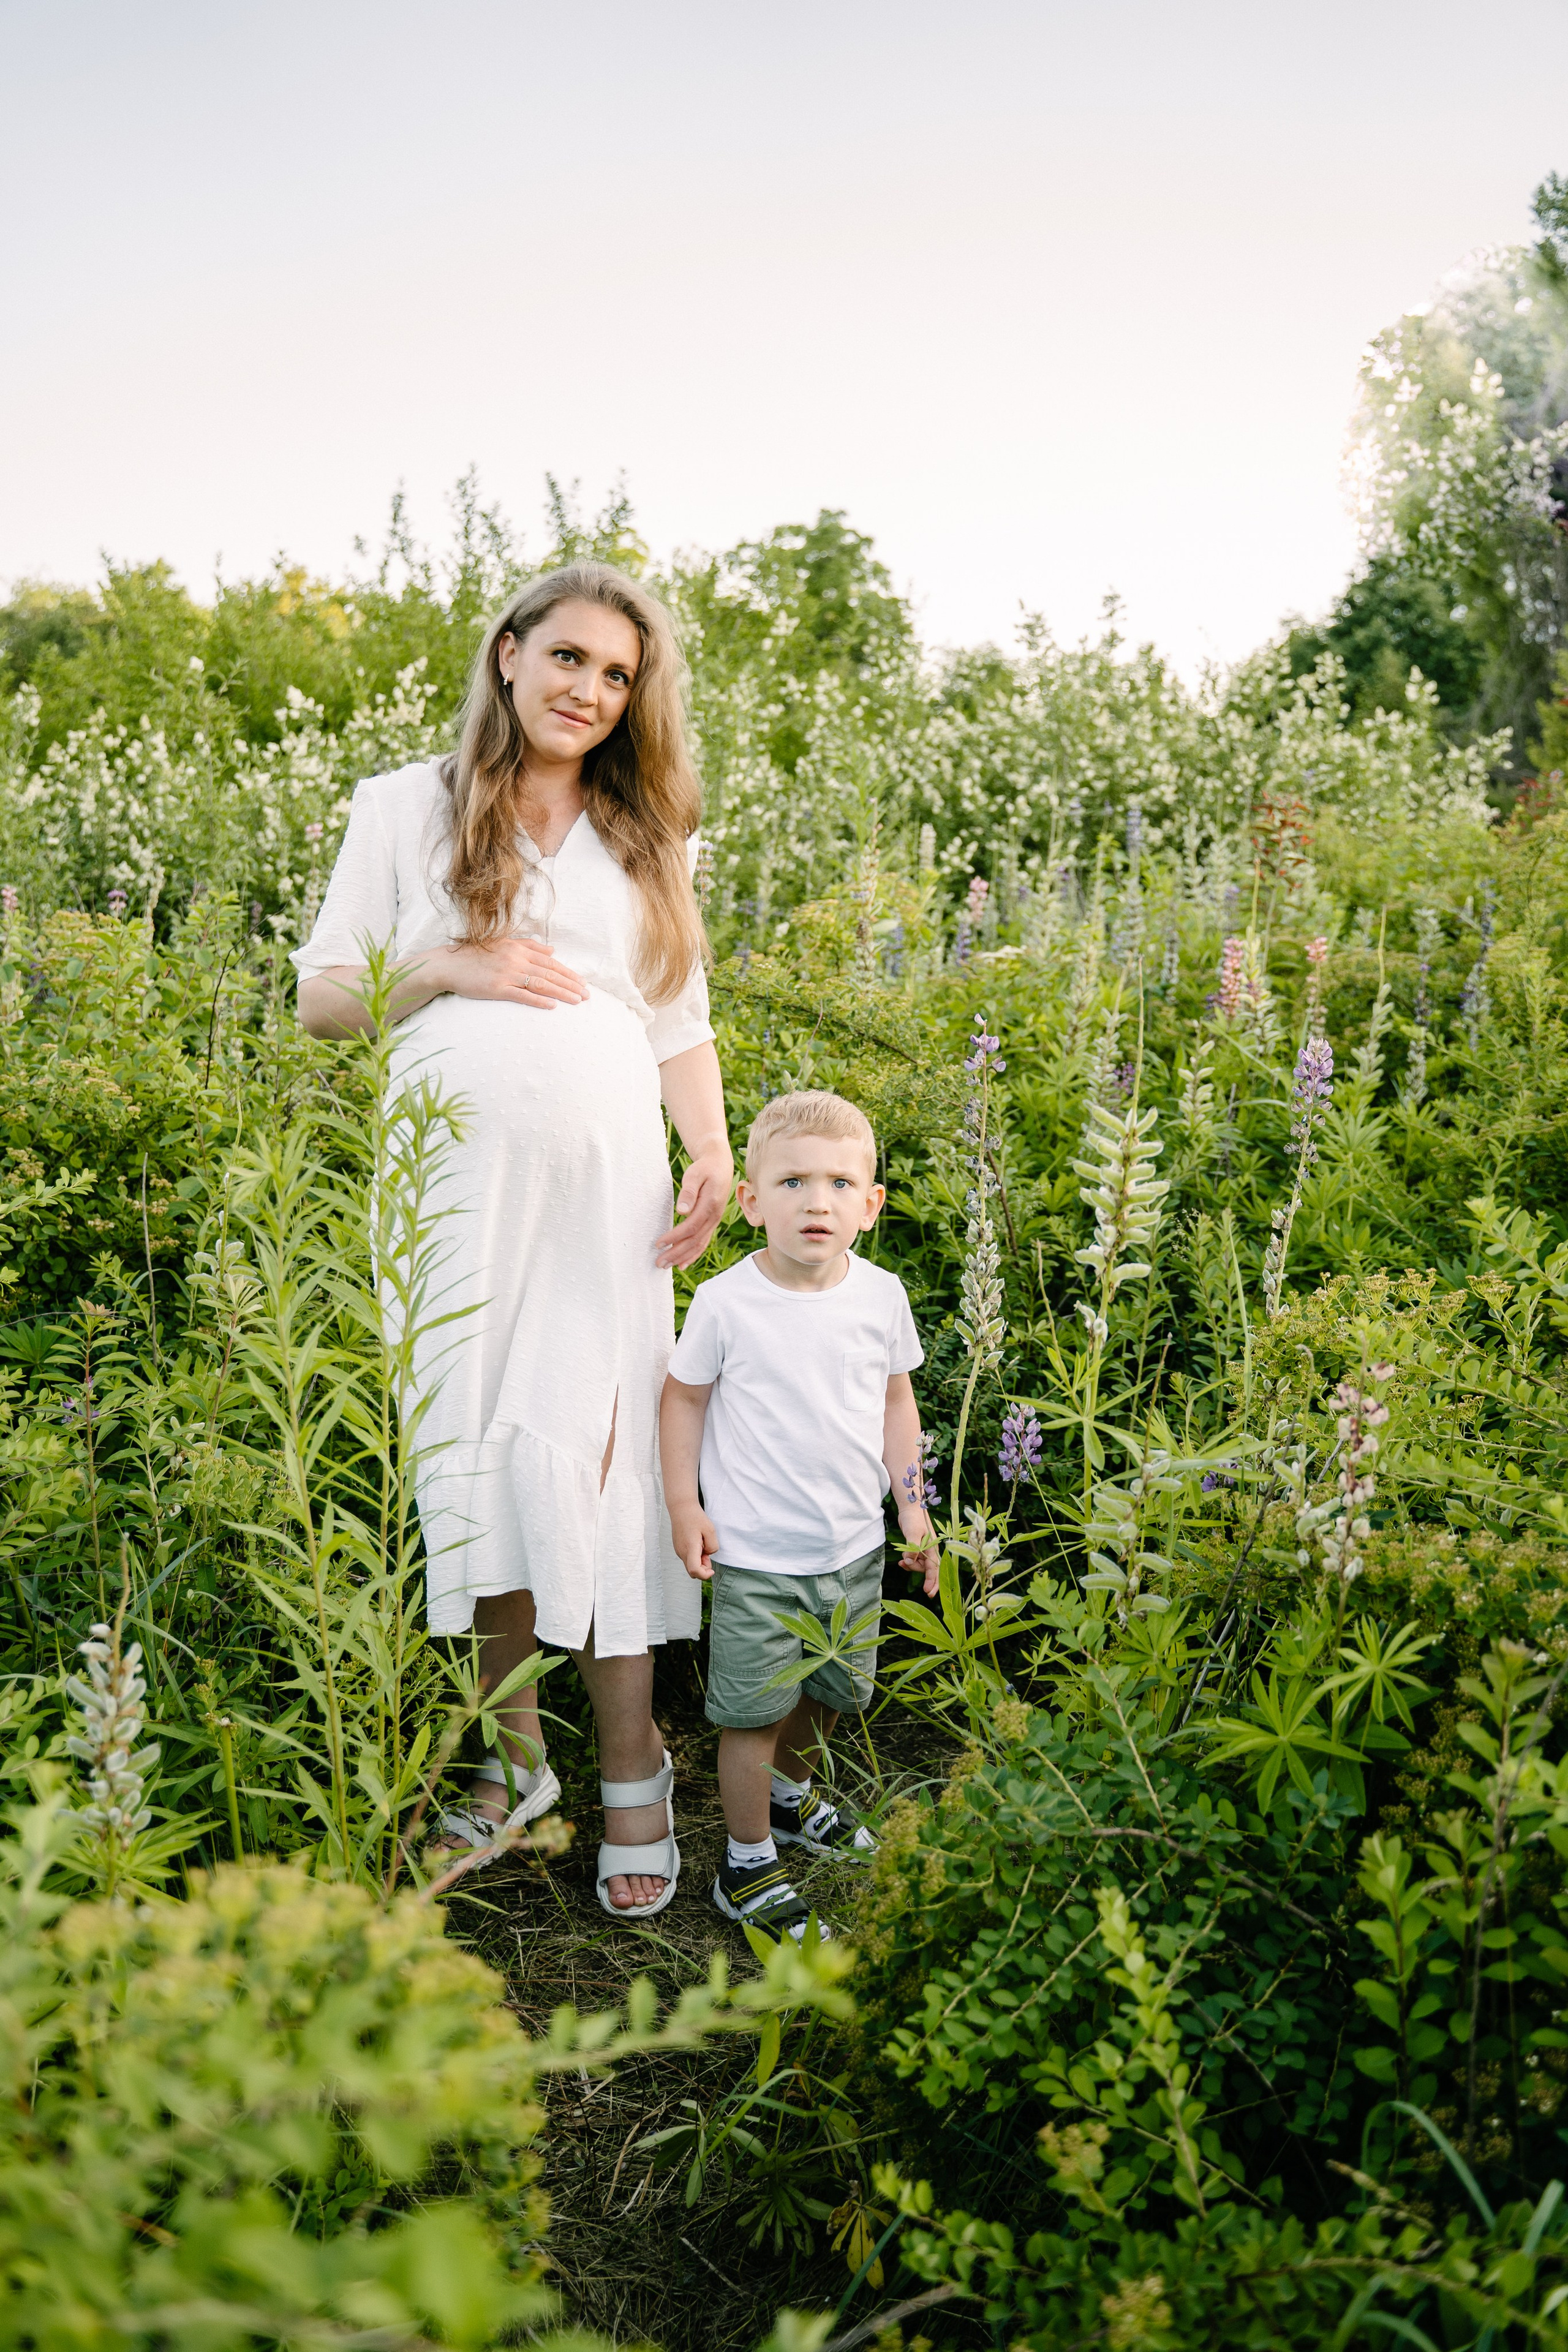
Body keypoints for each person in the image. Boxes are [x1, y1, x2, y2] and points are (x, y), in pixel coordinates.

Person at [294, 563, 733, 1919]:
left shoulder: (645, 832)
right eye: (567, 659)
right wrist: (445, 966)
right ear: (506, 654)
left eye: (615, 675)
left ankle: (631, 1763)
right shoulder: (399, 805)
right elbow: (319, 1000)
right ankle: (509, 1766)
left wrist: (711, 1150)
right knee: (472, 1454)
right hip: (449, 1193)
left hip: (606, 1191)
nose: (587, 692)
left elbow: (675, 1016)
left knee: (597, 1448)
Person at [660, 1090, 940, 1944]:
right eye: (790, 1181)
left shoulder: (881, 1296)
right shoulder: (726, 1302)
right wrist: (684, 1503)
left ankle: (790, 1800)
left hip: (851, 1549)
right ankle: (746, 1867)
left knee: (829, 1695)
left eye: (839, 1183)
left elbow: (898, 1405)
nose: (817, 1201)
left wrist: (914, 1506)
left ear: (870, 1204)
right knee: (751, 1716)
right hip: (757, 1555)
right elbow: (682, 1401)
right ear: (749, 1201)